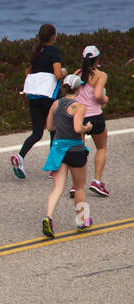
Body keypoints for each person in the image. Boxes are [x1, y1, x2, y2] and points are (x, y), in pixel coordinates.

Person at [42, 75, 95, 238]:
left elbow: (50, 126)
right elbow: (77, 128)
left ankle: (48, 217)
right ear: (79, 88)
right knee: (79, 187)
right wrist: (88, 127)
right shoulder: (79, 106)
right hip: (75, 149)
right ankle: (82, 220)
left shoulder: (55, 104)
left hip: (58, 149)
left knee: (57, 188)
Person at [13, 25, 67, 177]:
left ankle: (20, 156)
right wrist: (64, 72)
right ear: (53, 37)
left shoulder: (35, 52)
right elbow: (57, 74)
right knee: (54, 131)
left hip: (34, 96)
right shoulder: (54, 52)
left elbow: (27, 71)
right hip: (50, 96)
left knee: (37, 133)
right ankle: (53, 167)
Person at [76, 45, 110, 197]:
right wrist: (105, 98)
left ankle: (76, 185)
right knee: (101, 148)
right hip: (95, 116)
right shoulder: (100, 74)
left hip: (79, 117)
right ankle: (96, 181)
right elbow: (97, 95)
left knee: (80, 151)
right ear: (97, 59)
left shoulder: (77, 74)